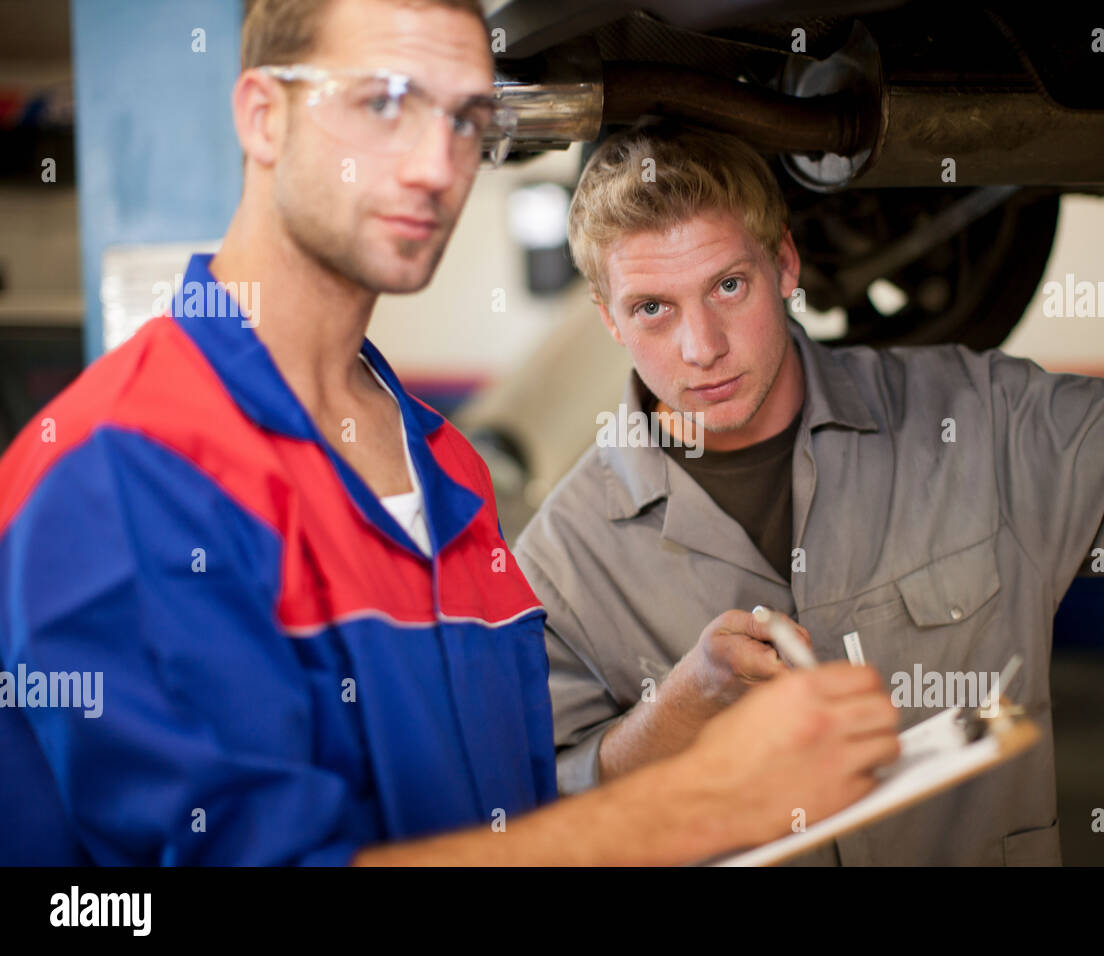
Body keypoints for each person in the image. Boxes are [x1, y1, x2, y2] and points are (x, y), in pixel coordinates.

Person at [0, 0, 901, 866]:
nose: (437, 164)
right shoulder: (116, 471)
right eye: (385, 101)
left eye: (467, 117)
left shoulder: (447, 468)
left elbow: (507, 827)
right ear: (264, 116)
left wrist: (677, 722)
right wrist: (702, 804)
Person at [513, 123, 1104, 865]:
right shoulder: (561, 562)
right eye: (652, 308)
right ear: (609, 320)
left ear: (785, 265)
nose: (702, 347)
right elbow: (551, 814)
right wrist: (683, 702)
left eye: (728, 285)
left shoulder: (973, 420)